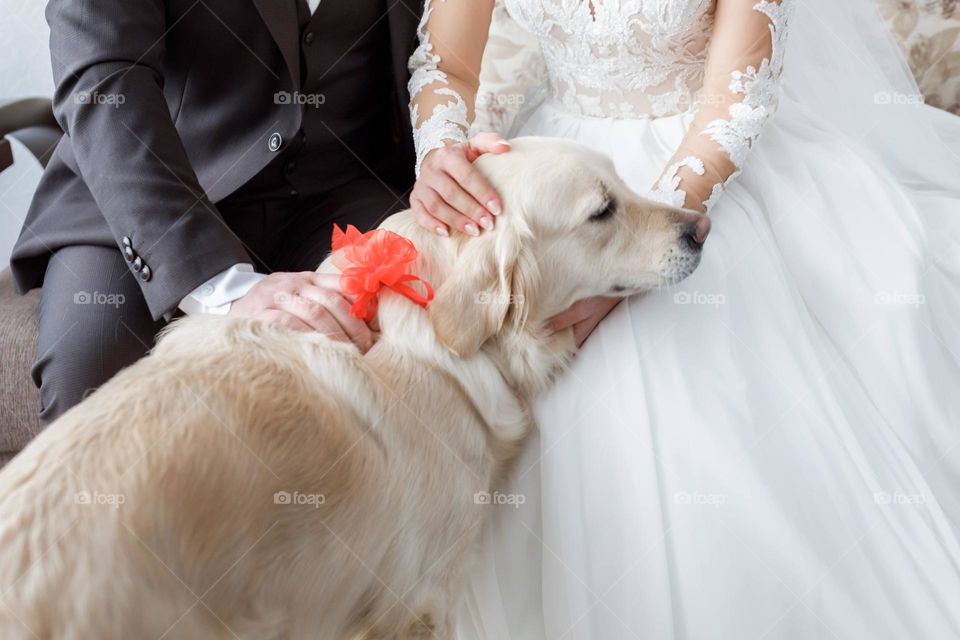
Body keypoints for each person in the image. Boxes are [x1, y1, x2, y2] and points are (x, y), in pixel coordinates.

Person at [408, 0, 960, 637]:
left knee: (668, 376)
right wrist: (442, 159)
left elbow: (735, 103)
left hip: (708, 173)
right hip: (561, 177)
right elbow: (446, 63)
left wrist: (636, 251)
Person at [11, 0, 506, 423]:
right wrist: (220, 286)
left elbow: (446, 58)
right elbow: (103, 80)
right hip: (147, 197)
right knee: (91, 376)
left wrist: (455, 150)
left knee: (430, 349)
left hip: (343, 189)